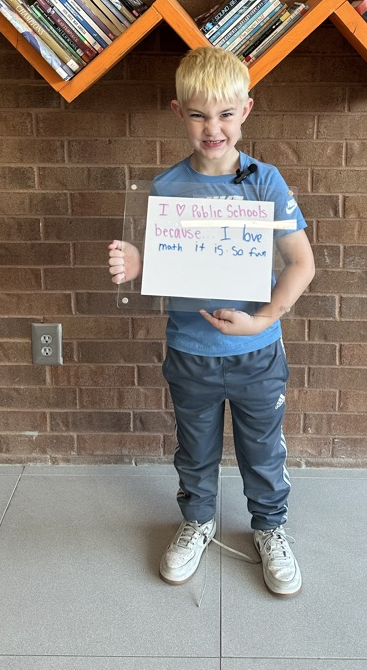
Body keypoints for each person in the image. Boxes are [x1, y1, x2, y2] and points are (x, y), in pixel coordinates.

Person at [108, 46, 315, 597]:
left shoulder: (264, 182)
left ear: (246, 110)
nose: (213, 127)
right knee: (194, 450)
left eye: (225, 113)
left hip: (257, 353)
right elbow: (176, 261)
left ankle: (270, 529)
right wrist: (138, 264)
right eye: (199, 114)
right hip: (191, 352)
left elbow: (302, 263)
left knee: (263, 450)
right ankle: (198, 520)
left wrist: (263, 318)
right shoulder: (166, 187)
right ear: (179, 113)